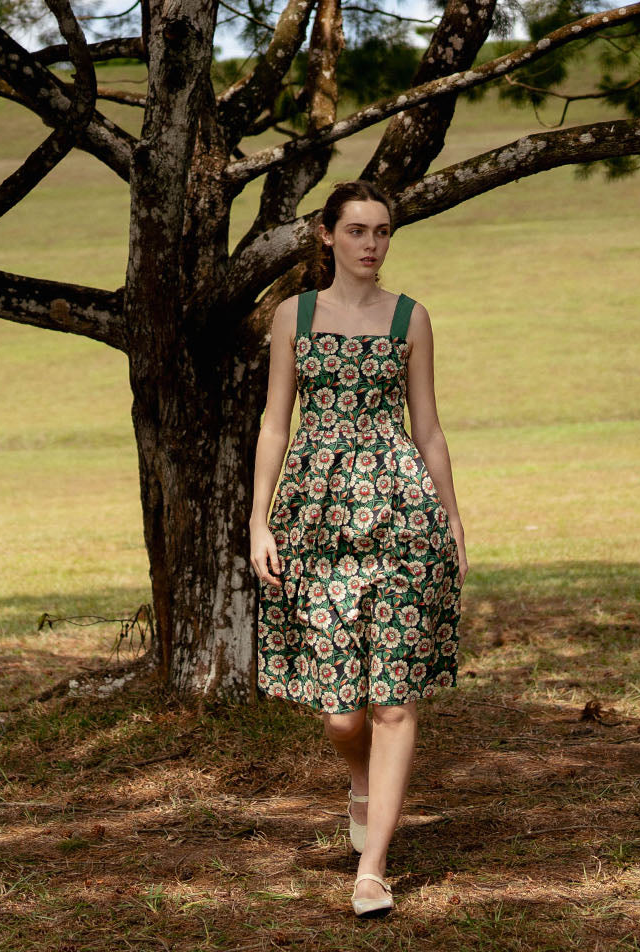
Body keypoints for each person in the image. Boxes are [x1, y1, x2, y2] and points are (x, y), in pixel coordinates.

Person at [249, 179, 468, 918]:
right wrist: (260, 520)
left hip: (405, 518)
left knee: (394, 704)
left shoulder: (411, 317)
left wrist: (454, 522)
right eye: (357, 231)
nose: (372, 245)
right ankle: (362, 783)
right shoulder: (293, 316)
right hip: (316, 519)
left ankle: (372, 868)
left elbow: (429, 429)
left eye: (382, 232)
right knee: (342, 714)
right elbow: (275, 425)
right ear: (326, 234)